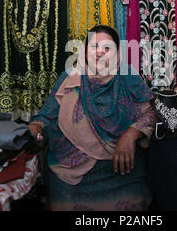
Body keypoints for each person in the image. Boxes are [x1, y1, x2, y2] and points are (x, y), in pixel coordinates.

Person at [28, 25, 158, 211]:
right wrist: (34, 129)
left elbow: (153, 111)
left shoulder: (127, 76)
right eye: (94, 46)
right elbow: (46, 117)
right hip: (71, 172)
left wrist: (131, 134)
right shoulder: (70, 78)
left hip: (119, 171)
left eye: (107, 48)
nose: (100, 53)